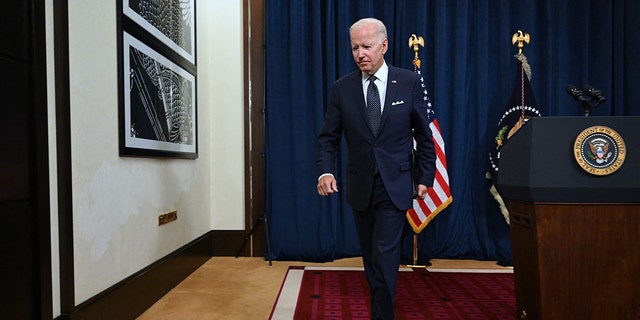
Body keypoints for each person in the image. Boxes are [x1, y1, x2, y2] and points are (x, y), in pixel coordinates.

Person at [316, 18, 437, 319]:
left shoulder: (408, 82)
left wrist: (425, 176)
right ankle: (380, 306)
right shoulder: (341, 89)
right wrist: (325, 171)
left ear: (384, 46)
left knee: (384, 258)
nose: (360, 54)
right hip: (360, 187)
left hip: (394, 185)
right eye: (355, 47)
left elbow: (424, 135)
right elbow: (328, 138)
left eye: (366, 46)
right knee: (372, 259)